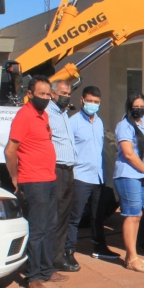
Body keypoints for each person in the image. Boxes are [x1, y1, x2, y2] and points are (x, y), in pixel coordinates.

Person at [3, 76, 68, 288]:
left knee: (50, 227)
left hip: (49, 179)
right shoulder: (24, 115)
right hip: (33, 180)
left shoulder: (43, 115)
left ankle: (46, 269)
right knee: (38, 229)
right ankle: (33, 276)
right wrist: (15, 178)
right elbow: (10, 151)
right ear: (30, 94)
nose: (46, 98)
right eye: (42, 94)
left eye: (48, 94)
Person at [67, 86, 119, 264]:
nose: (93, 104)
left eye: (96, 102)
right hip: (80, 176)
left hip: (99, 176)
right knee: (75, 217)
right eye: (89, 101)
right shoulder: (73, 122)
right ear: (82, 100)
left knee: (98, 215)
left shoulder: (99, 122)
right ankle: (68, 251)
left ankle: (99, 247)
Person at [114, 93, 144, 272]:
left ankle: (132, 255)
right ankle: (131, 258)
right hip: (128, 175)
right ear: (129, 107)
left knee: (138, 215)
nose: (139, 109)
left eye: (142, 106)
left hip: (142, 175)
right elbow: (129, 154)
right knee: (131, 215)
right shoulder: (124, 126)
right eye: (135, 106)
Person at [46, 80, 80, 273]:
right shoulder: (48, 114)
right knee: (54, 216)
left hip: (68, 169)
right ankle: (48, 259)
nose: (66, 96)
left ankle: (57, 257)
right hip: (56, 168)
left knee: (64, 216)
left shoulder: (64, 113)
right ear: (52, 94)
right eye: (63, 93)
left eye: (68, 93)